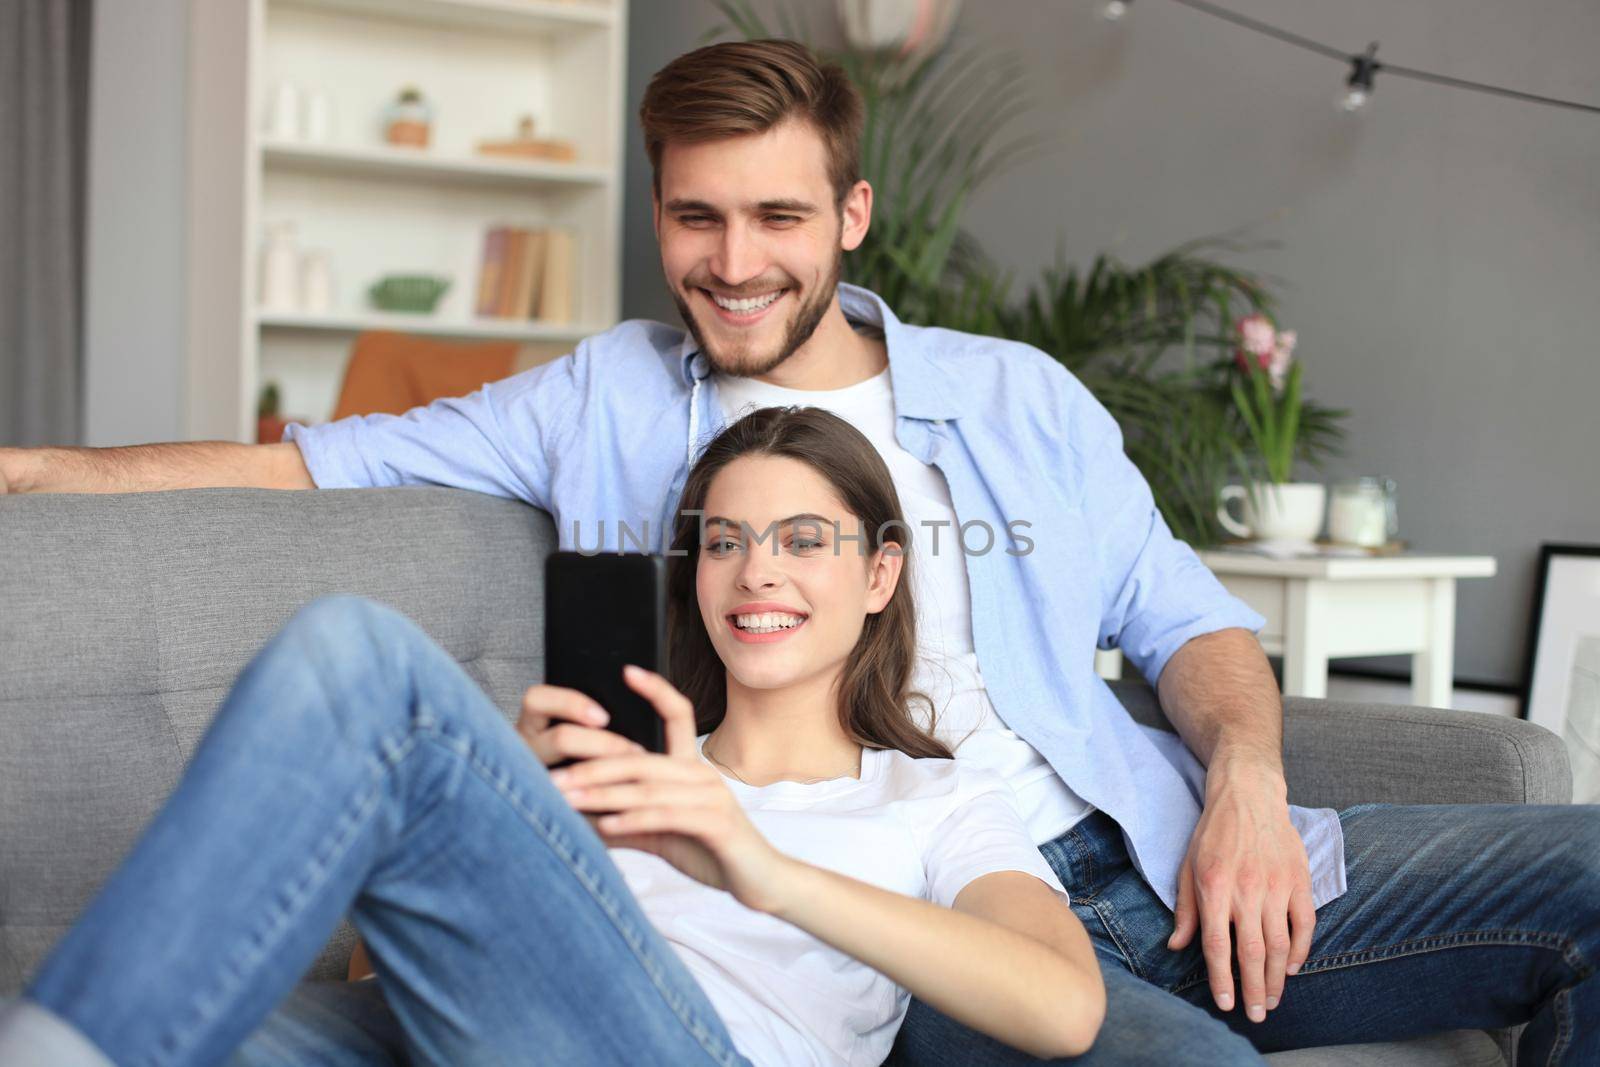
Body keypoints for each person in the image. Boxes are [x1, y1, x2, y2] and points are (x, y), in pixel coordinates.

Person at [2, 37, 1596, 1066]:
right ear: (659, 217)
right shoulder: (605, 400)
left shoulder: (1017, 399)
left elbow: (1191, 626)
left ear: (851, 215)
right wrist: (45, 466)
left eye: (776, 217)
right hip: (895, 911)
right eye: (698, 219)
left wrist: (1246, 786)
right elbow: (312, 462)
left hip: (1139, 853)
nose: (733, 259)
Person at [0, 406, 1106, 1065]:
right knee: (149, 1015)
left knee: (359, 655)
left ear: (879, 573)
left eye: (802, 539)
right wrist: (513, 803)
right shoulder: (615, 767)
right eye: (725, 540)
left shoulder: (930, 797)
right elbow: (391, 972)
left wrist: (759, 868)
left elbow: (1062, 1005)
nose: (758, 569)